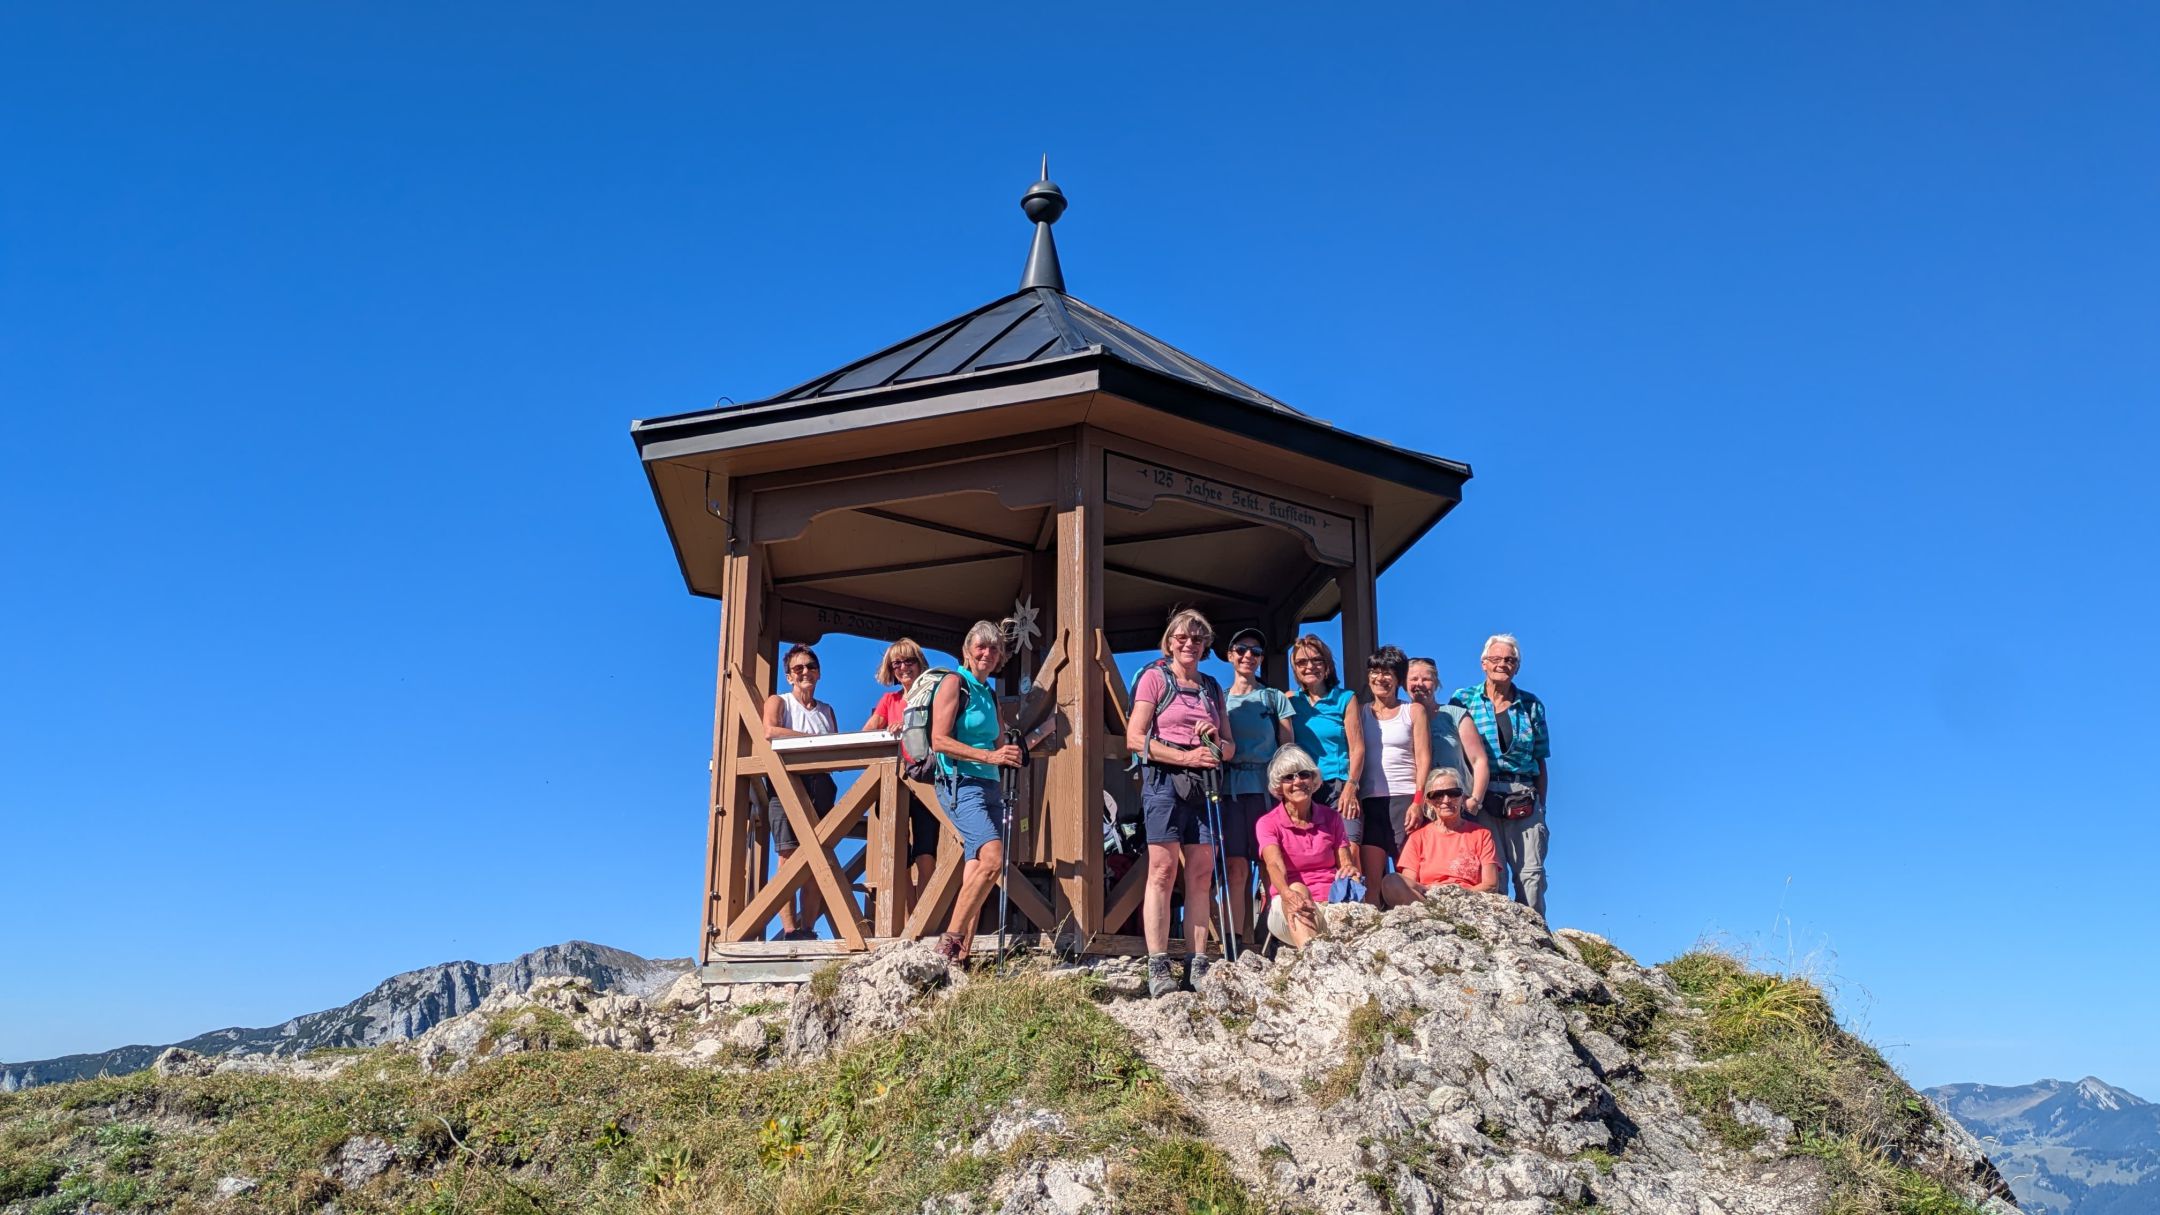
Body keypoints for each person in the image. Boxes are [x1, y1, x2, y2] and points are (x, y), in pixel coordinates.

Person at [1126, 608, 1233, 997]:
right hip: (1164, 781)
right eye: (1182, 638)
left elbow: (1229, 746)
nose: (1190, 644)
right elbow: (1135, 738)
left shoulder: (1212, 688)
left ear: (1205, 646)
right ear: (1169, 642)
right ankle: (1158, 965)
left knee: (1201, 873)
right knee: (1162, 870)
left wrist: (1214, 742)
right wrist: (1186, 756)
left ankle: (1197, 963)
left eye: (1198, 639)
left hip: (1203, 783)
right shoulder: (1155, 679)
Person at [929, 621, 1025, 962]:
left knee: (977, 866)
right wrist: (990, 757)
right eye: (981, 646)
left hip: (990, 786)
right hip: (960, 784)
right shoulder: (954, 683)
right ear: (967, 651)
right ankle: (950, 941)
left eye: (994, 648)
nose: (988, 653)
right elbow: (938, 740)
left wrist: (1024, 744)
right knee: (993, 859)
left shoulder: (988, 693)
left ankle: (961, 957)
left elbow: (1000, 743)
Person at [1451, 633, 1552, 919]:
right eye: (1495, 659)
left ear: (1517, 667)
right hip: (1481, 795)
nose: (1502, 665)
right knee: (1492, 874)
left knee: (1531, 875)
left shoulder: (1531, 705)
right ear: (1483, 663)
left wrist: (1541, 805)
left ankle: (1535, 932)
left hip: (1523, 792)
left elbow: (1540, 758)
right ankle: (1499, 933)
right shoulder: (1463, 699)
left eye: (1509, 660)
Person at [1220, 626, 1293, 948]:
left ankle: (1274, 935)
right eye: (1241, 649)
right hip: (1230, 791)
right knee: (1235, 866)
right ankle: (1235, 940)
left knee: (1270, 864)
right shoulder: (1219, 700)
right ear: (1229, 655)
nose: (1248, 656)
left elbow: (1287, 748)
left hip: (1267, 791)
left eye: (1256, 652)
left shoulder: (1274, 698)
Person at [761, 643, 838, 941]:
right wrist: (810, 740)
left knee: (817, 858)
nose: (805, 671)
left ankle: (808, 929)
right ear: (789, 676)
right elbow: (770, 731)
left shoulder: (827, 710)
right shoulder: (779, 701)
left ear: (819, 673)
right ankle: (790, 930)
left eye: (810, 666)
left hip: (821, 785)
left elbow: (835, 749)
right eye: (798, 668)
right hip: (786, 782)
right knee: (788, 856)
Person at [1253, 746, 1357, 948]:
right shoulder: (1268, 823)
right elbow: (1274, 864)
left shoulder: (1332, 817)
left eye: (1304, 774)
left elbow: (1345, 863)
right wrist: (1286, 893)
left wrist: (1350, 871)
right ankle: (1313, 960)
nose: (1297, 781)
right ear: (1278, 787)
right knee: (1297, 890)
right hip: (1288, 903)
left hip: (1332, 903)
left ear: (1313, 779)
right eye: (1288, 777)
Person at [861, 637, 938, 906]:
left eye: (909, 661)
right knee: (899, 856)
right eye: (897, 663)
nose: (903, 667)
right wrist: (886, 730)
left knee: (926, 854)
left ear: (919, 664)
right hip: (894, 783)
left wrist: (909, 726)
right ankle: (910, 916)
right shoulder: (889, 700)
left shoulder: (933, 697)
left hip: (925, 781)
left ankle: (925, 918)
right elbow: (866, 733)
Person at [1353, 644, 1430, 902]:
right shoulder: (1360, 712)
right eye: (1374, 671)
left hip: (1404, 799)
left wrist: (1418, 801)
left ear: (1398, 678)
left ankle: (1416, 923)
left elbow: (1423, 757)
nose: (1380, 678)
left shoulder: (1413, 711)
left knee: (1406, 877)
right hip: (1370, 801)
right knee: (1371, 883)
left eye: (1387, 673)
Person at [1382, 767, 1499, 906]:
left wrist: (1454, 896)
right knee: (1391, 881)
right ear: (1428, 801)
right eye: (1437, 795)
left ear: (1462, 797)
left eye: (1453, 793)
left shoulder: (1481, 834)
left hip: (1467, 901)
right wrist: (1432, 894)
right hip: (1427, 900)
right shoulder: (1417, 838)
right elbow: (1409, 883)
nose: (1446, 800)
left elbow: (1490, 884)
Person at [1286, 633, 1363, 835]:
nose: (1309, 666)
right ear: (1295, 669)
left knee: (1349, 845)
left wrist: (1351, 787)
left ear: (1327, 664)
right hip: (1302, 786)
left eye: (1316, 660)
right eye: (1302, 662)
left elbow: (1357, 748)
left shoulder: (1345, 698)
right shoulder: (1290, 701)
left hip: (1338, 784)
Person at [1407, 656, 1490, 822]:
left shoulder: (1455, 714)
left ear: (1436, 683)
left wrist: (1475, 800)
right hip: (1418, 808)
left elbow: (1479, 760)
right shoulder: (1402, 718)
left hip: (1456, 804)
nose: (1420, 684)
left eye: (1426, 679)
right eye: (1414, 679)